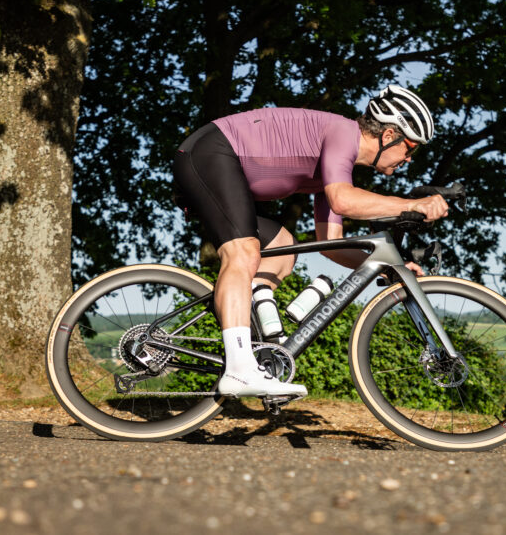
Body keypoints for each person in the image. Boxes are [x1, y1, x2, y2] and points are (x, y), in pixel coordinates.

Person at [172, 85, 449, 400]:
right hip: (211, 152)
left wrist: (388, 267)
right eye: (411, 148)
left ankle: (258, 348)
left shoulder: (335, 166)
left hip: (213, 158)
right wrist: (413, 205)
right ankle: (239, 369)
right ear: (388, 136)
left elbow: (330, 243)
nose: (409, 159)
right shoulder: (343, 133)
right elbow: (343, 201)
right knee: (244, 253)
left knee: (282, 250)